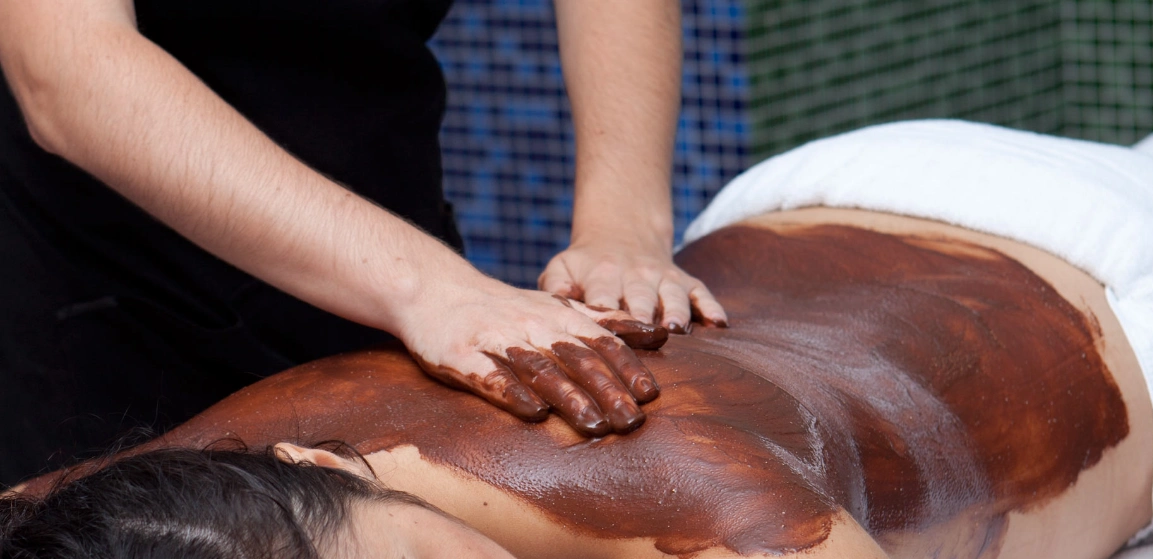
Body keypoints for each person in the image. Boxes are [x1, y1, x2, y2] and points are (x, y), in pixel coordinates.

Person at [3, 118, 1153, 559]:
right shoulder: (171, 537)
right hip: (785, 241)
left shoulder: (711, 538)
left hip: (1119, 285)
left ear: (334, 463)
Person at [0, 0, 727, 488]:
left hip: (392, 227)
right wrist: (432, 288)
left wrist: (622, 223)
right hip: (106, 284)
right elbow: (67, 64)